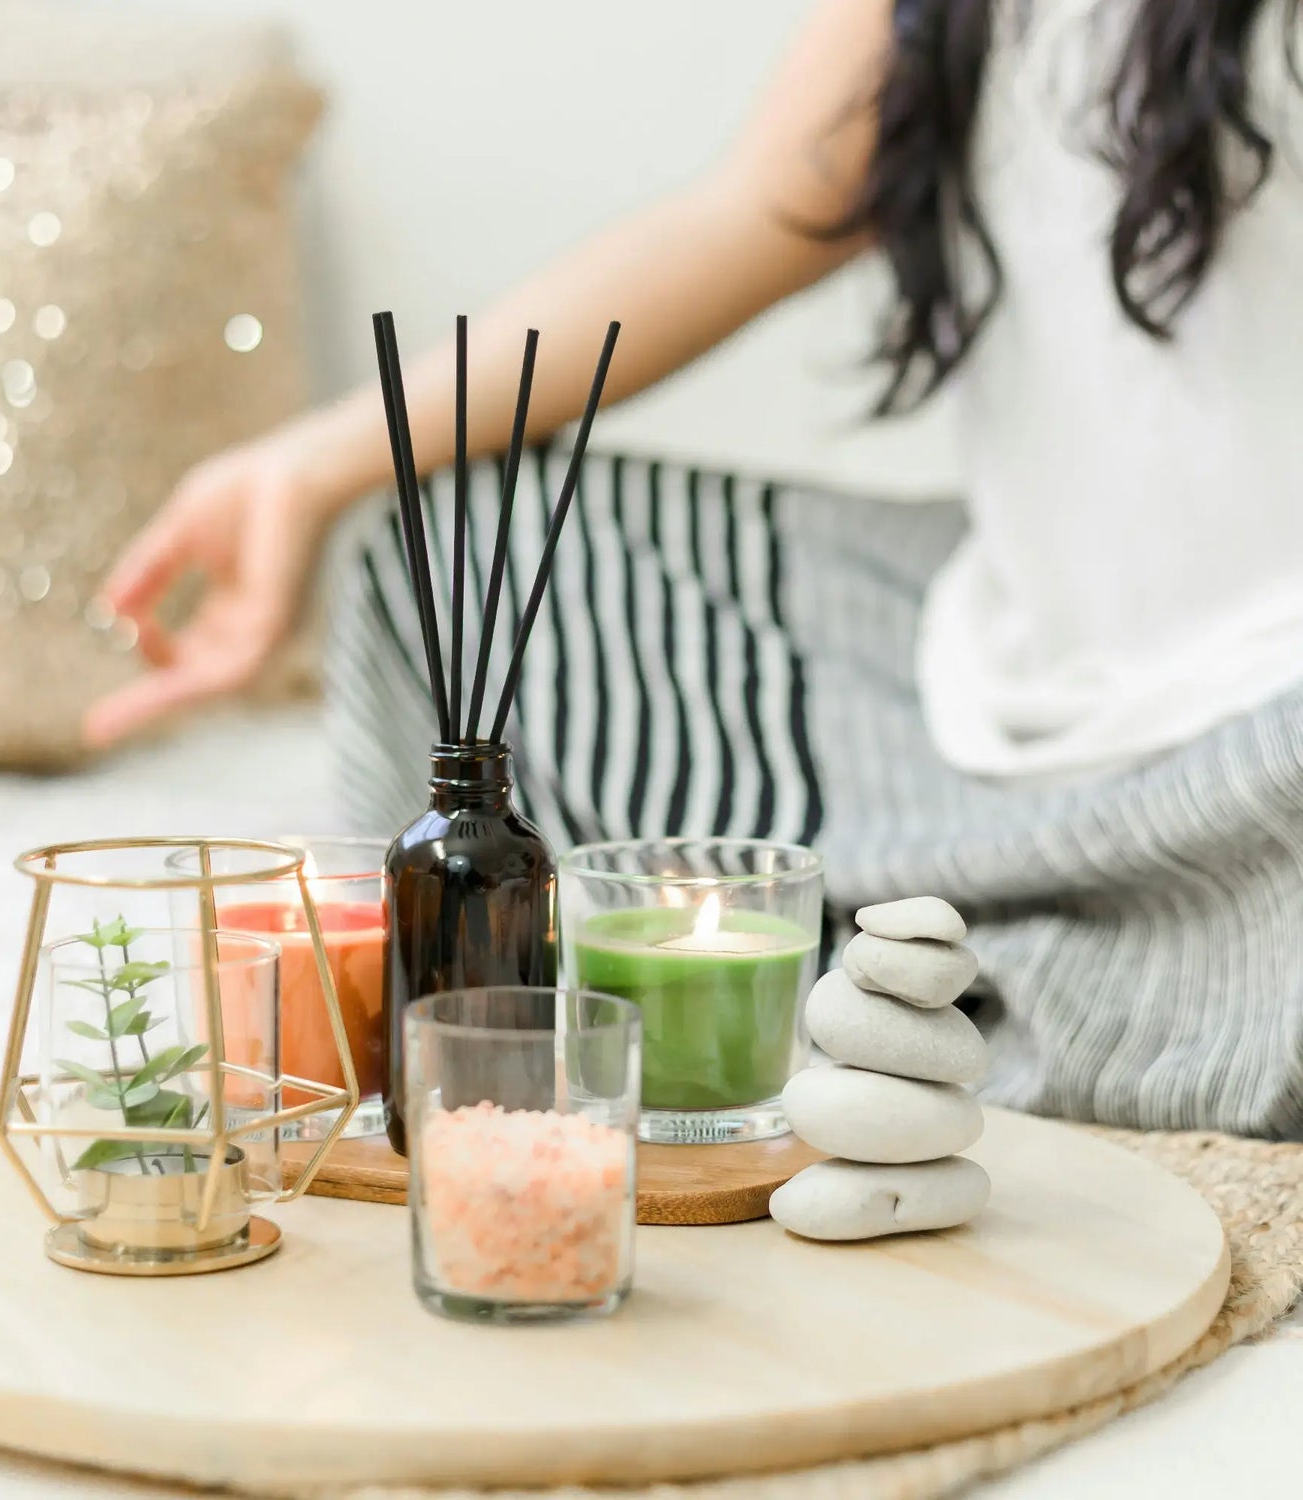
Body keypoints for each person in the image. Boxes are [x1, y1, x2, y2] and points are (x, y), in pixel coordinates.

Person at [87, 0, 1303, 1139]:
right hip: (980, 688)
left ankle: (989, 990)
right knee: (463, 553)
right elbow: (753, 211)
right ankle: (1043, 982)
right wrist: (306, 469)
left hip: (1272, 745)